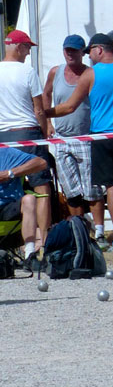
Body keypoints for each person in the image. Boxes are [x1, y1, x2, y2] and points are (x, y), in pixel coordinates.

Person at [0, 29, 53, 261]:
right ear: (19, 47)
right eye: (28, 48)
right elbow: (38, 108)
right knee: (41, 188)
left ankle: (19, 239)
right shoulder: (28, 71)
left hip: (3, 135)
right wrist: (45, 131)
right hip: (28, 132)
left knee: (9, 186)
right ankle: (44, 241)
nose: (28, 53)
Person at [42, 34, 97, 218]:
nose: (70, 54)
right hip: (62, 137)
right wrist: (47, 122)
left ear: (83, 52)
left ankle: (98, 229)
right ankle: (78, 226)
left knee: (92, 190)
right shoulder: (55, 72)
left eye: (74, 50)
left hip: (86, 137)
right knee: (71, 190)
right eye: (67, 50)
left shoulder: (90, 73)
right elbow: (46, 94)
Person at [86, 32, 113, 242]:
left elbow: (70, 105)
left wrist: (46, 113)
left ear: (99, 50)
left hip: (102, 135)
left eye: (90, 51)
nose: (89, 56)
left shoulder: (91, 73)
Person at [0, 145, 49, 277]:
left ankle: (30, 255)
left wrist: (10, 173)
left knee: (29, 199)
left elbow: (41, 163)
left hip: (8, 207)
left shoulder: (6, 152)